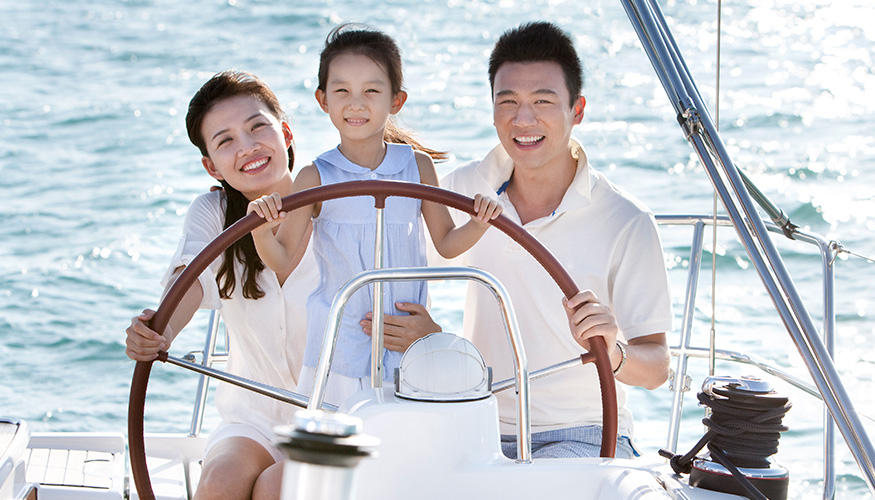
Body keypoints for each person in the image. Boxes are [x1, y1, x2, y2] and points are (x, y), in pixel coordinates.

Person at [364, 21, 673, 460]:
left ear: (577, 110)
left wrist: (614, 352)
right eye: (507, 102)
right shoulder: (462, 187)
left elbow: (657, 366)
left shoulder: (626, 220)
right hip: (473, 422)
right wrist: (430, 338)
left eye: (542, 102)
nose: (523, 120)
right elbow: (391, 265)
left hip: (584, 433)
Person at [247, 24, 502, 407]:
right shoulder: (315, 176)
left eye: (371, 90)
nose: (356, 102)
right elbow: (282, 260)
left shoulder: (417, 167)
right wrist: (262, 231)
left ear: (395, 100)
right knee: (337, 452)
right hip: (340, 345)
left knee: (401, 448)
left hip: (404, 338)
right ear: (323, 100)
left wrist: (478, 224)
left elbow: (447, 244)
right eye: (342, 91)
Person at [124, 70, 318, 500]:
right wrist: (160, 332)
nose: (247, 147)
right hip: (252, 417)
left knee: (275, 487)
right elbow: (187, 281)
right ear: (211, 165)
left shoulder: (338, 196)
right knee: (220, 483)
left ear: (285, 133)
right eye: (225, 140)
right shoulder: (212, 213)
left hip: (337, 416)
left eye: (257, 127)